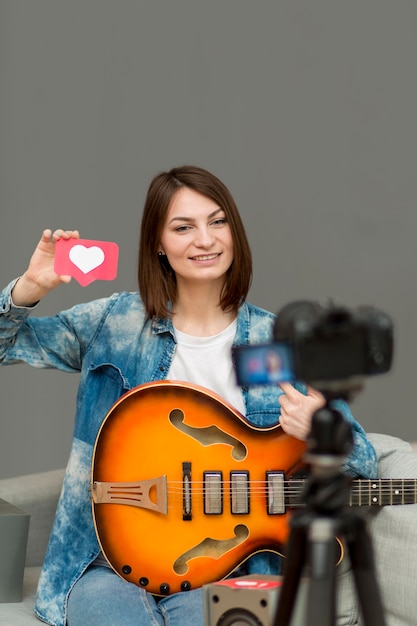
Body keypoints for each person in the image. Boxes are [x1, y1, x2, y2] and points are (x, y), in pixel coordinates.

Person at [0, 165, 377, 626]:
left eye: (217, 222)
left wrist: (321, 430)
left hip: (219, 567)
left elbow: (365, 464)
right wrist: (28, 289)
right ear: (158, 243)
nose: (206, 239)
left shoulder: (277, 342)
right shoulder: (114, 322)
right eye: (183, 227)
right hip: (104, 563)